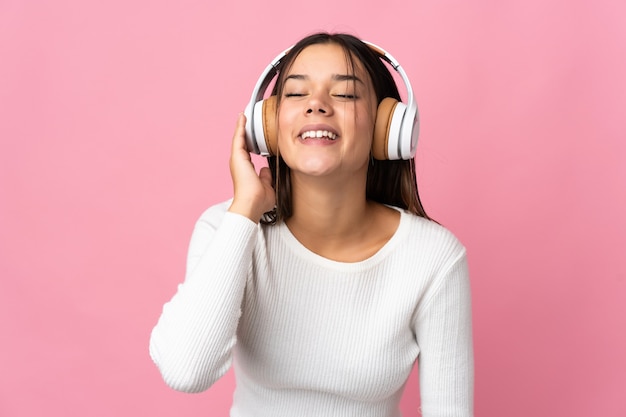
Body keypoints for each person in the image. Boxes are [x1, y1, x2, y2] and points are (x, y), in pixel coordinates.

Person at [149, 32, 474, 417]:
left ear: (388, 127)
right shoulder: (227, 227)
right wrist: (245, 211)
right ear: (267, 123)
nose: (316, 105)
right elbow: (186, 371)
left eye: (346, 94)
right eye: (297, 93)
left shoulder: (434, 257)